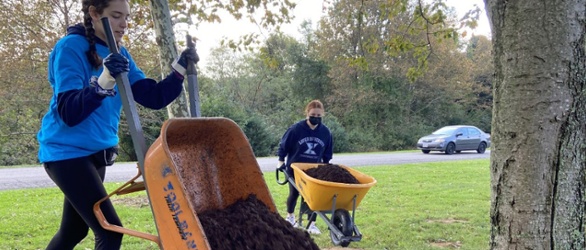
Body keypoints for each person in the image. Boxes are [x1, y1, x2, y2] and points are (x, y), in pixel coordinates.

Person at [36, 0, 198, 249]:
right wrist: (104, 80)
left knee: (73, 232)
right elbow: (69, 112)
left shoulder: (120, 54)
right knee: (110, 232)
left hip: (96, 153)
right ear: (93, 13)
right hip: (65, 153)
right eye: (115, 16)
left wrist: (179, 68)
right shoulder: (70, 47)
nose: (124, 24)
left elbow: (153, 97)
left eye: (126, 16)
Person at [277, 100, 333, 235]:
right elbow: (284, 146)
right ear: (307, 113)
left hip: (315, 169)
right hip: (296, 168)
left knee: (313, 197)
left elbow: (327, 151)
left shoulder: (325, 132)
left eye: (319, 115)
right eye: (313, 114)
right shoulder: (296, 129)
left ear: (323, 115)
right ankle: (290, 217)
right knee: (294, 193)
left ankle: (311, 224)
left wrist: (326, 165)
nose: (316, 117)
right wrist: (280, 161)